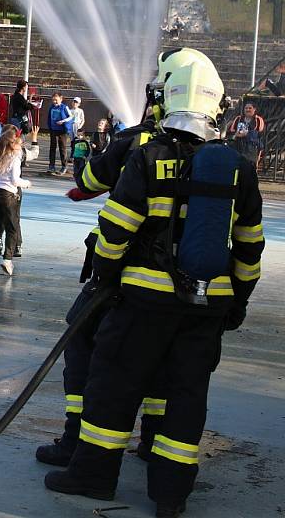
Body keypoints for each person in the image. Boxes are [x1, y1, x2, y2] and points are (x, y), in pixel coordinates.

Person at [45, 61, 264, 518]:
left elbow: (117, 226)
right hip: (207, 306)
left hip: (143, 301)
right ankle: (170, 494)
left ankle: (93, 475)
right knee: (186, 396)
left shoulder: (147, 155)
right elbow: (249, 247)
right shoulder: (239, 170)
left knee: (114, 386)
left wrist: (106, 278)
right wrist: (237, 301)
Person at [0, 125, 40, 275]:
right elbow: (15, 180)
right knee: (12, 229)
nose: (20, 146)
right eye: (19, 144)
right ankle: (7, 260)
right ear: (13, 145)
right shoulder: (14, 159)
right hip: (10, 195)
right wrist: (26, 183)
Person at [227, 102, 265, 166]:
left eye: (250, 108)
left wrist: (247, 134)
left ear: (254, 109)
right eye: (246, 108)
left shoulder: (258, 119)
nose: (248, 110)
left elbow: (260, 133)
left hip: (252, 147)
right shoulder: (238, 118)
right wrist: (236, 134)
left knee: (250, 167)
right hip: (238, 146)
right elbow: (232, 131)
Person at [47, 92, 73, 175]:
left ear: (61, 99)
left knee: (62, 148)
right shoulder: (51, 107)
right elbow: (49, 117)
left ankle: (64, 166)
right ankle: (51, 166)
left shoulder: (64, 107)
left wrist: (63, 121)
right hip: (53, 130)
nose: (54, 101)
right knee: (52, 147)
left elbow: (71, 116)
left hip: (62, 131)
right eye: (53, 100)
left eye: (56, 100)